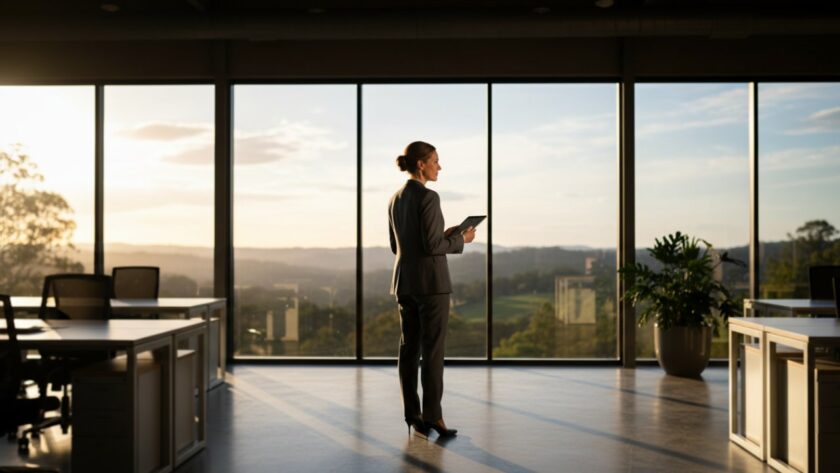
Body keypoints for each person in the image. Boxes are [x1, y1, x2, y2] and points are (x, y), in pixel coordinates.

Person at [388, 141, 476, 438]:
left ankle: (413, 416)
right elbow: (433, 246)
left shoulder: (394, 199)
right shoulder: (429, 196)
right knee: (433, 352)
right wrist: (462, 239)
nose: (440, 166)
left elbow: (396, 246)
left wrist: (442, 235)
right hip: (432, 285)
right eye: (436, 161)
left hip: (405, 282)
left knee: (408, 350)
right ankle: (434, 417)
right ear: (422, 165)